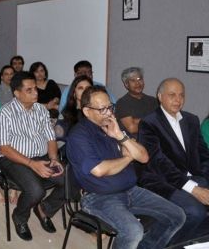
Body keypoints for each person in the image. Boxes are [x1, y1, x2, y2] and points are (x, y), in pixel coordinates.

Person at [66, 86, 185, 249]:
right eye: (102, 109)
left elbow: (143, 157)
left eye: (110, 107)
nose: (109, 113)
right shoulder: (79, 136)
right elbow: (99, 170)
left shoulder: (115, 126)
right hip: (99, 197)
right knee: (133, 231)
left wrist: (120, 137)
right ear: (87, 111)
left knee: (177, 216)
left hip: (131, 191)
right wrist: (128, 157)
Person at [138, 78, 209, 243]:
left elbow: (204, 155)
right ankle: (168, 244)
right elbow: (159, 163)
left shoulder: (191, 120)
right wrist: (193, 189)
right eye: (172, 95)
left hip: (192, 177)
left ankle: (189, 241)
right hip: (162, 181)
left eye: (181, 95)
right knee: (195, 212)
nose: (178, 100)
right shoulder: (149, 123)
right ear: (160, 96)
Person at [0, 72, 65, 241]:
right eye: (29, 90)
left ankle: (44, 210)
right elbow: (3, 147)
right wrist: (32, 164)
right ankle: (20, 217)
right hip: (13, 160)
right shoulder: (6, 113)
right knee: (35, 191)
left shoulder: (41, 110)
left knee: (68, 180)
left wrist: (54, 159)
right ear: (17, 93)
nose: (35, 93)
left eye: (35, 89)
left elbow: (50, 138)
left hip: (41, 157)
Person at [115, 67, 158, 136]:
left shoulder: (154, 101)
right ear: (126, 84)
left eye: (139, 79)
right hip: (134, 143)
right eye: (133, 80)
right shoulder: (122, 103)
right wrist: (153, 120)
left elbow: (162, 122)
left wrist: (137, 120)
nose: (137, 83)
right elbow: (131, 128)